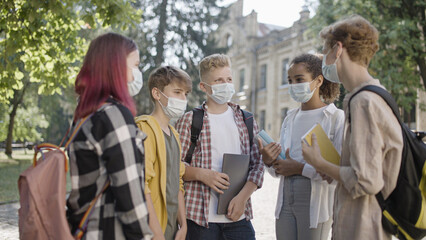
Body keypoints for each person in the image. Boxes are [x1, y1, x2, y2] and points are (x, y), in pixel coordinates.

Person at [301, 15, 403, 240]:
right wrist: (332, 170)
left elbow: (366, 180)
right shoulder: (377, 94)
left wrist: (319, 162)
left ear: (338, 49)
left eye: (325, 52)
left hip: (363, 227)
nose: (323, 61)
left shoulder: (363, 101)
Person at [66, 32, 152, 239]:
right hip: (108, 231)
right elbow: (129, 190)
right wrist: (143, 235)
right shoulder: (114, 115)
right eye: (135, 65)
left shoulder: (87, 114)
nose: (137, 74)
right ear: (115, 66)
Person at [175, 53, 264, 240]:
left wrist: (243, 198)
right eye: (218, 80)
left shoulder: (246, 119)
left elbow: (258, 164)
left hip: (238, 218)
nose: (226, 84)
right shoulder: (190, 120)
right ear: (203, 87)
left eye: (229, 79)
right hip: (200, 220)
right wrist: (202, 174)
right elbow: (175, 167)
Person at [258, 53, 344, 240]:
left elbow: (337, 174)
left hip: (316, 205)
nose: (294, 85)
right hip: (285, 205)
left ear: (318, 80)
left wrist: (299, 168)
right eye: (290, 80)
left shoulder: (335, 118)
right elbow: (280, 169)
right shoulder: (290, 118)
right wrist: (269, 161)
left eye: (299, 79)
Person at [135, 66, 192, 240]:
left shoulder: (175, 135)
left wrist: (183, 224)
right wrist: (157, 235)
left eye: (186, 94)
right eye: (177, 92)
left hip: (173, 231)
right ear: (157, 94)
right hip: (152, 232)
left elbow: (178, 182)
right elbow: (141, 186)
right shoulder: (144, 129)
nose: (183, 98)